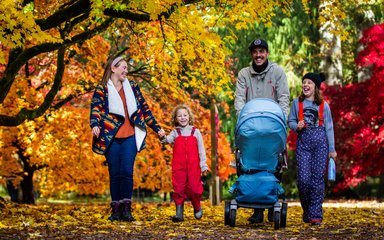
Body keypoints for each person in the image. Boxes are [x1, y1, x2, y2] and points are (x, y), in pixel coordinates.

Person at [90, 55, 165, 222]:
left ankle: (126, 209)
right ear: (113, 68)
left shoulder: (132, 86)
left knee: (126, 172)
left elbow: (144, 109)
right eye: (123, 67)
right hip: (111, 137)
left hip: (130, 136)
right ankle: (116, 209)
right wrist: (94, 124)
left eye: (127, 67)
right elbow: (96, 107)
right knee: (114, 174)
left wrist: (157, 128)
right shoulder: (102, 88)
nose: (126, 70)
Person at [234, 38, 290, 224]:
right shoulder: (244, 74)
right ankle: (257, 208)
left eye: (261, 51)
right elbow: (239, 99)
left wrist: (281, 120)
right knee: (247, 164)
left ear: (267, 53)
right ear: (252, 54)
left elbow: (283, 98)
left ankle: (269, 202)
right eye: (255, 52)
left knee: (274, 164)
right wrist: (241, 118)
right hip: (250, 126)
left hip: (272, 126)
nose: (258, 55)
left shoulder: (277, 72)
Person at [288, 72, 337, 225]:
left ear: (315, 86)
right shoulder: (297, 103)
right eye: (304, 82)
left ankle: (315, 215)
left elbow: (329, 128)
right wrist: (297, 126)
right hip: (304, 145)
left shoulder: (324, 105)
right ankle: (307, 209)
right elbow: (290, 121)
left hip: (321, 146)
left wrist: (332, 149)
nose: (305, 85)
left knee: (317, 180)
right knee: (303, 181)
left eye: (309, 82)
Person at [162, 104, 209, 222]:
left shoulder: (195, 132)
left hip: (194, 167)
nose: (182, 118)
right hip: (179, 167)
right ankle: (179, 214)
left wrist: (203, 165)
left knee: (194, 188)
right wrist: (162, 136)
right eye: (179, 116)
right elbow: (166, 141)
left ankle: (197, 206)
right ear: (176, 118)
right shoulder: (175, 132)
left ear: (189, 116)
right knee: (178, 188)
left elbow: (201, 150)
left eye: (185, 115)